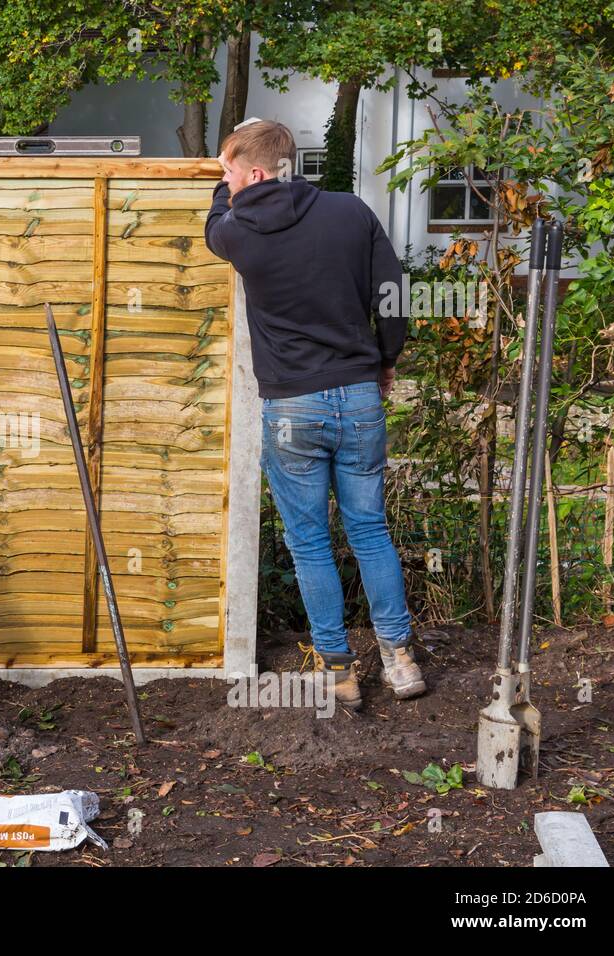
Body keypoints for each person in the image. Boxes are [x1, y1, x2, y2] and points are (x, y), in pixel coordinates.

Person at [204, 119, 426, 710]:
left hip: (291, 407)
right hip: (358, 395)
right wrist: (385, 359)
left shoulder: (238, 232)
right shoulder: (351, 212)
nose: (223, 182)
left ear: (252, 174)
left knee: (309, 541)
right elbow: (393, 295)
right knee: (370, 529)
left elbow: (213, 222)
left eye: (228, 170)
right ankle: (400, 660)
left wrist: (224, 182)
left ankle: (337, 670)